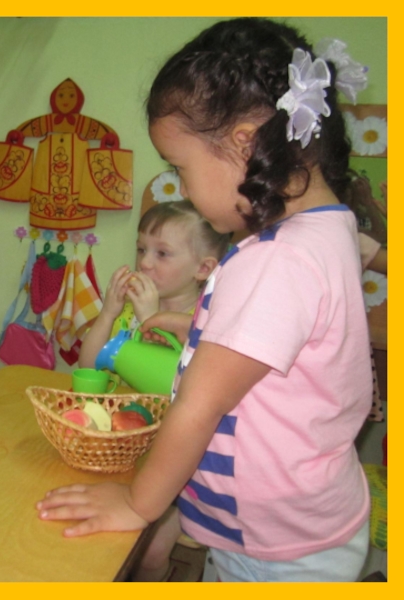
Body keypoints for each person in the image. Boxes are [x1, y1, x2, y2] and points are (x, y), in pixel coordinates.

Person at [36, 18, 372, 582]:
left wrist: (138, 504)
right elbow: (282, 345)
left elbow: (199, 406)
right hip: (298, 523)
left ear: (245, 143)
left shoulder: (275, 259)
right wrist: (191, 322)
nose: (183, 188)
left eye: (181, 168)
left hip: (274, 549)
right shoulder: (331, 227)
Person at [78, 200, 230, 370]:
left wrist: (150, 320)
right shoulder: (128, 311)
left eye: (162, 253)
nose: (144, 263)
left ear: (203, 268)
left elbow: (174, 378)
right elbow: (87, 368)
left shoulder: (206, 323)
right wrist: (107, 314)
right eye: (141, 250)